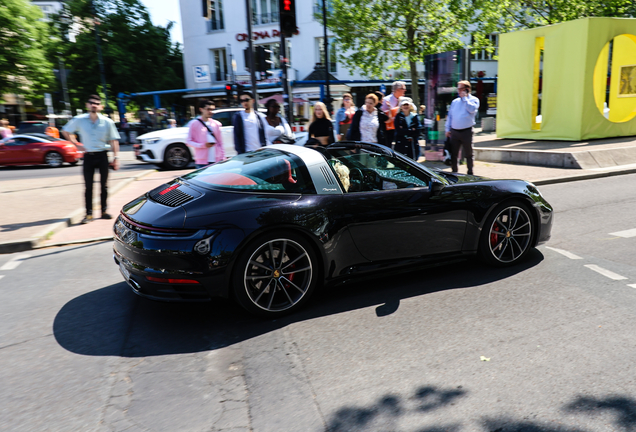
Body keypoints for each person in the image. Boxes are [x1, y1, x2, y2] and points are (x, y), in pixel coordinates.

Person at [61, 94, 120, 224]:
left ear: (101, 106)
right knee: (88, 187)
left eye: (97, 103)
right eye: (91, 102)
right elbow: (65, 131)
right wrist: (76, 144)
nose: (94, 105)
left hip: (103, 156)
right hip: (88, 157)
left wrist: (116, 158)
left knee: (104, 186)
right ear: (87, 105)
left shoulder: (108, 122)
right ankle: (88, 214)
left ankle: (104, 211)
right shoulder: (79, 120)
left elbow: (113, 140)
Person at [445, 80, 480, 175]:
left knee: (469, 153)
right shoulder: (454, 102)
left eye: (461, 89)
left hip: (467, 131)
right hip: (454, 131)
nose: (459, 91)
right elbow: (450, 116)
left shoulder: (474, 100)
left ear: (467, 89)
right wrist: (447, 129)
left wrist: (465, 99)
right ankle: (454, 172)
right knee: (454, 154)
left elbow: (472, 110)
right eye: (458, 89)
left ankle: (470, 172)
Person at [187, 100, 225, 169]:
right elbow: (189, 141)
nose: (211, 112)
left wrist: (223, 157)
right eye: (208, 109)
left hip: (217, 160)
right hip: (202, 162)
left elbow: (220, 142)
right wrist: (203, 145)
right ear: (201, 109)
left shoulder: (216, 124)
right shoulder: (194, 124)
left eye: (212, 109)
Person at [381, 81, 407, 147]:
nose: (405, 90)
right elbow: (382, 115)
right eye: (403, 89)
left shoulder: (405, 101)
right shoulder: (385, 100)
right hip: (389, 130)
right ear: (398, 90)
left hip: (401, 129)